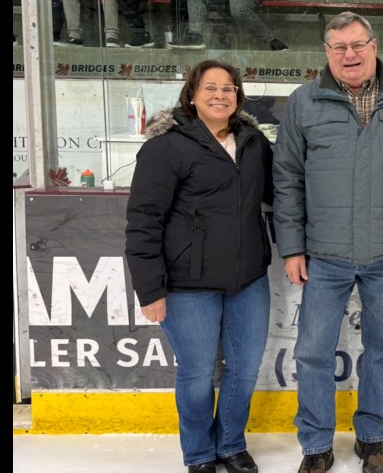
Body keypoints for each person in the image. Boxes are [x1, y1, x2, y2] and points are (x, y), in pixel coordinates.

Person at [272, 12, 383, 473]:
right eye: (338, 47)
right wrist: (291, 247)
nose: (349, 54)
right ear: (325, 53)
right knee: (312, 352)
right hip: (323, 255)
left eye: (357, 44)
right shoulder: (303, 102)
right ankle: (316, 443)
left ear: (374, 45)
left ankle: (371, 437)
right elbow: (285, 180)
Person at [125, 59, 275, 473]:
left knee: (244, 370)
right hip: (187, 283)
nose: (220, 95)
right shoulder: (166, 147)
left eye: (228, 88)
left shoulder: (253, 143)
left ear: (238, 97)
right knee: (196, 373)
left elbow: (285, 192)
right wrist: (150, 289)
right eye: (210, 88)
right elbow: (143, 221)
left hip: (248, 280)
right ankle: (199, 453)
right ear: (192, 95)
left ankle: (230, 444)